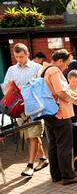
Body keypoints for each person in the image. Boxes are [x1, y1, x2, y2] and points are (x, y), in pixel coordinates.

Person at [2, 43, 48, 177]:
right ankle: (43, 159)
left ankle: (29, 166)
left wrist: (25, 87)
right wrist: (9, 87)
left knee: (33, 137)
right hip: (18, 109)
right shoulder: (11, 69)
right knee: (30, 136)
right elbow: (5, 92)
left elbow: (43, 88)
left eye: (21, 57)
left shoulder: (37, 68)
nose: (18, 60)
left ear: (27, 54)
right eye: (16, 57)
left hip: (34, 108)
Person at [40, 49, 77, 185]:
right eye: (67, 64)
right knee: (64, 146)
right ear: (60, 61)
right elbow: (60, 91)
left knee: (53, 145)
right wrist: (74, 99)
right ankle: (68, 176)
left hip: (48, 113)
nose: (67, 67)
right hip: (60, 113)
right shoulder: (54, 71)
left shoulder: (43, 70)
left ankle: (56, 175)